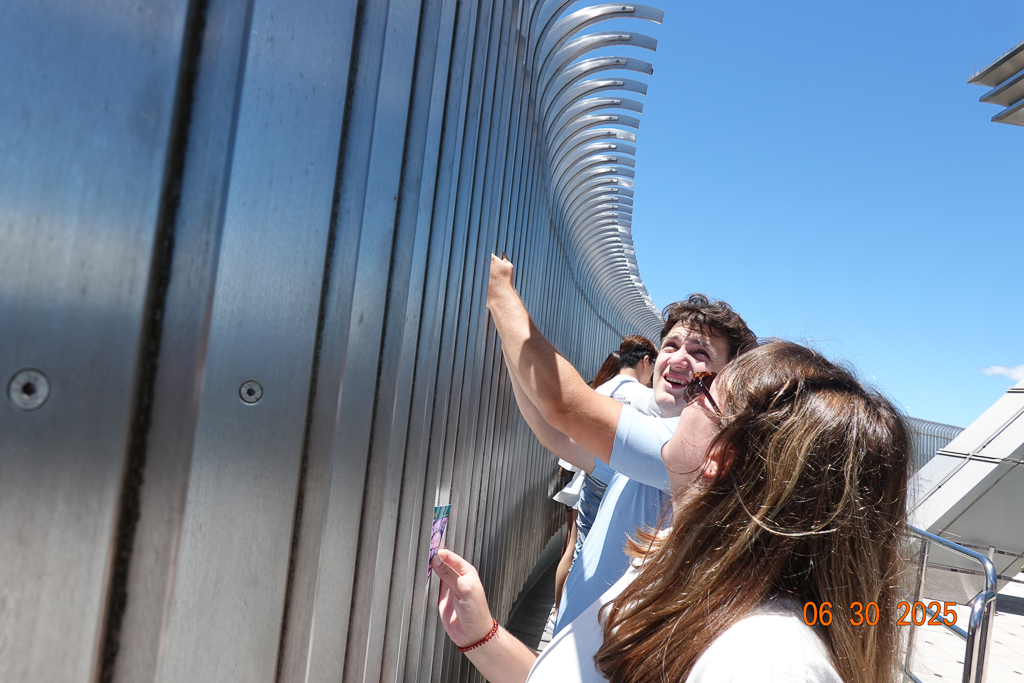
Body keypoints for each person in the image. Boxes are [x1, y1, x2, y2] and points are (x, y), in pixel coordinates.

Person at [434, 340, 911, 683]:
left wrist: (499, 290)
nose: (688, 399)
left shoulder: (762, 661)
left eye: (705, 390)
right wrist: (483, 636)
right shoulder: (675, 560)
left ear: (719, 456)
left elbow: (559, 406)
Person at [493, 254, 756, 631]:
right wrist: (508, 335)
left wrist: (500, 293)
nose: (678, 359)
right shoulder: (656, 438)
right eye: (671, 345)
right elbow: (554, 432)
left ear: (729, 377)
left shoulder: (691, 450)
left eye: (700, 353)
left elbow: (561, 405)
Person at [553, 335, 658, 612]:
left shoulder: (598, 390)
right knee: (615, 562)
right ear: (645, 361)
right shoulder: (648, 399)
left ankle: (562, 614)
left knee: (579, 552)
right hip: (622, 487)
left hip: (591, 479)